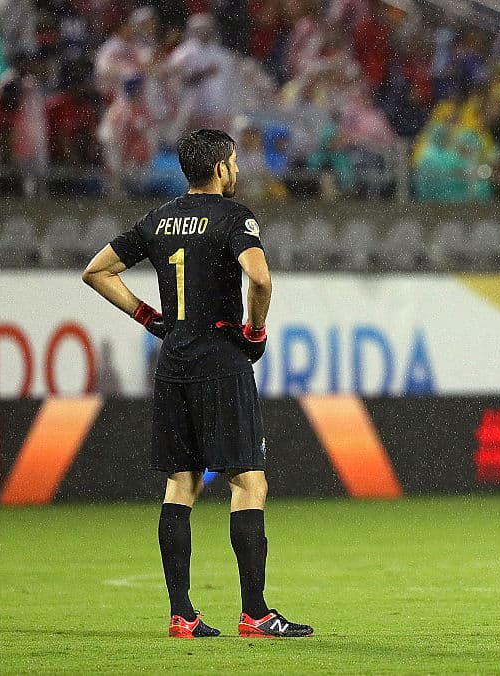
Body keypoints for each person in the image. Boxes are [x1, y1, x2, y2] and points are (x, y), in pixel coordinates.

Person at [81, 129, 313, 639]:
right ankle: (255, 613)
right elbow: (260, 278)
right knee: (248, 482)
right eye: (234, 161)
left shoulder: (159, 218)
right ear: (221, 168)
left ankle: (182, 614)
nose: (238, 170)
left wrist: (149, 317)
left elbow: (96, 272)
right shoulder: (233, 217)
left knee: (180, 484)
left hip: (173, 365)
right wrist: (255, 331)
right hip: (221, 362)